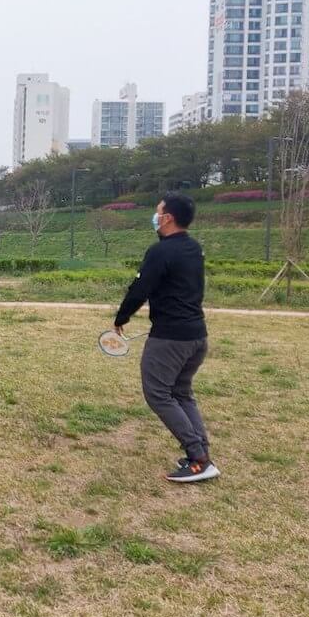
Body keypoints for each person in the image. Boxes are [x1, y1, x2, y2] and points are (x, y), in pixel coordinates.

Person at [113, 191, 218, 483]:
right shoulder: (193, 248)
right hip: (197, 336)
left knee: (158, 394)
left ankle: (198, 459)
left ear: (168, 218)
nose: (155, 216)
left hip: (170, 339)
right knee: (181, 393)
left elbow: (139, 289)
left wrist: (121, 318)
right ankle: (202, 454)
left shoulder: (160, 251)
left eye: (158, 212)